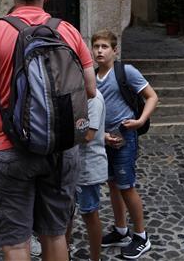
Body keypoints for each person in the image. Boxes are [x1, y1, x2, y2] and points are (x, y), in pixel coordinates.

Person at [0, 0, 96, 261]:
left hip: (7, 149)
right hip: (60, 150)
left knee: (15, 243)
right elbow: (90, 89)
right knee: (54, 234)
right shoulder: (67, 31)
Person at [92, 30, 159, 260]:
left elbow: (152, 96)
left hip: (125, 138)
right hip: (105, 140)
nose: (99, 51)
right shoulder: (91, 76)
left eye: (104, 47)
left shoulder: (125, 71)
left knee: (126, 186)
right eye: (96, 46)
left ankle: (141, 236)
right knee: (113, 185)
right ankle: (121, 231)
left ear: (114, 50)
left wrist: (140, 121)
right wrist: (101, 136)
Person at [65, 90, 108, 261]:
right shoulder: (75, 93)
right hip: (72, 164)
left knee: (89, 213)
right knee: (67, 211)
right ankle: (64, 249)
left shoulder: (94, 98)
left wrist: (61, 134)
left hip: (88, 167)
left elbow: (89, 135)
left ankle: (95, 258)